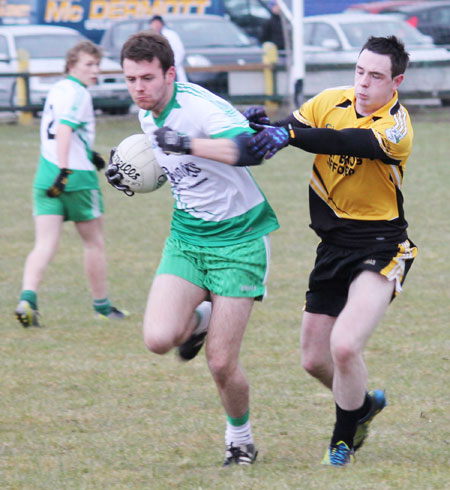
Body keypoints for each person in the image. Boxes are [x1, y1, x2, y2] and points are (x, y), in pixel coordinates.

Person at [105, 31, 279, 466]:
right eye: (130, 80)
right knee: (158, 339)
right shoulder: (147, 113)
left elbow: (251, 149)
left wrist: (186, 144)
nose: (138, 88)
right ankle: (201, 319)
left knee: (221, 364)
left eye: (146, 78)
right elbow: (169, 167)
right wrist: (128, 172)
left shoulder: (196, 106)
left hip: (239, 239)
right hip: (187, 236)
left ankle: (240, 441)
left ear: (170, 73)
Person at [244, 36, 417, 466]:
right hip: (332, 248)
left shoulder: (396, 126)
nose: (363, 84)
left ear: (396, 81)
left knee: (344, 346)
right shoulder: (329, 100)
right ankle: (360, 409)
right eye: (359, 72)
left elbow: (343, 143)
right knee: (313, 359)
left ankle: (342, 442)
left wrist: (289, 135)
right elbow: (290, 128)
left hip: (381, 246)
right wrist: (263, 126)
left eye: (375, 76)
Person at [14, 40, 128, 328]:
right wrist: (65, 170)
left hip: (45, 177)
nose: (95, 70)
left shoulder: (56, 89)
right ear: (71, 65)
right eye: (89, 64)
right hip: (73, 180)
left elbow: (59, 132)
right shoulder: (79, 94)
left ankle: (28, 299)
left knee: (45, 244)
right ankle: (102, 307)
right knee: (93, 244)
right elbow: (64, 129)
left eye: (97, 64)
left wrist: (89, 155)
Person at [149, 14, 188, 83]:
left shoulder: (171, 35)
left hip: (172, 68)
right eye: (153, 23)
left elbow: (179, 51)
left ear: (161, 24)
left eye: (157, 23)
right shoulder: (150, 36)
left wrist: (172, 64)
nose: (155, 26)